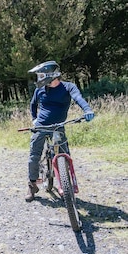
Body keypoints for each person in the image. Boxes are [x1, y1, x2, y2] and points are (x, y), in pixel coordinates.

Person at [25, 61, 95, 202]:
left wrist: (87, 109)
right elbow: (33, 105)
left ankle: (64, 185)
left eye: (41, 75)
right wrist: (34, 119)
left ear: (51, 75)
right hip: (41, 126)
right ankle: (32, 185)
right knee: (34, 156)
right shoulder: (40, 89)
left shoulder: (68, 87)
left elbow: (78, 99)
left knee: (63, 155)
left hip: (58, 126)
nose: (39, 79)